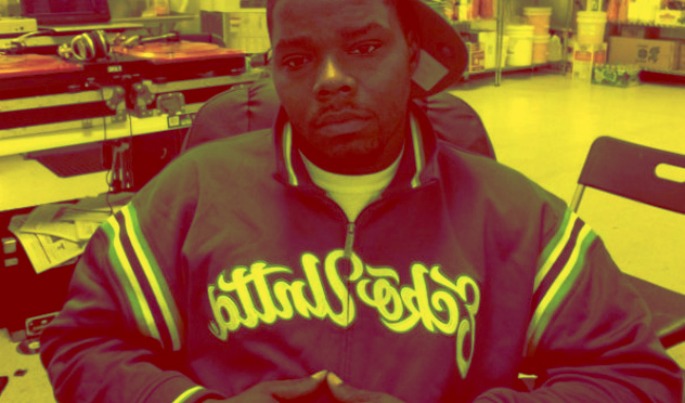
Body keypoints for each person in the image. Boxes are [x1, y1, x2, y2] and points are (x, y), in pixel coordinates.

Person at [40, 0, 683, 402]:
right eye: (298, 58)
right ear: (274, 70)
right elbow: (83, 343)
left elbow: (635, 377)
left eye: (365, 47)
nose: (332, 80)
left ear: (412, 54)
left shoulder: (519, 218)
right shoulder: (190, 194)